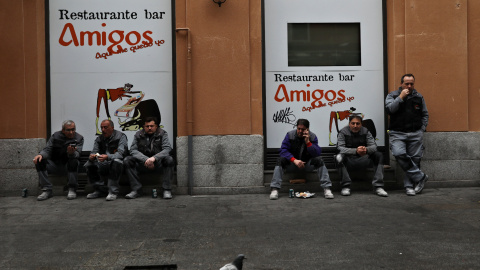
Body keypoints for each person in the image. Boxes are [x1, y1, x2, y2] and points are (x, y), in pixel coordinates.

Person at [385, 73, 429, 196]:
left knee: (414, 160)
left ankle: (409, 186)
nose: (409, 86)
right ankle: (420, 177)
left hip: (415, 134)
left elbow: (425, 114)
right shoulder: (392, 95)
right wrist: (401, 97)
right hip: (397, 133)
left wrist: (422, 129)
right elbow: (390, 110)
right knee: (398, 153)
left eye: (411, 84)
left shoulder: (419, 97)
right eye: (406, 83)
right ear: (401, 84)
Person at [270, 119, 334, 200]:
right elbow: (283, 150)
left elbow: (317, 153)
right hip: (292, 164)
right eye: (298, 128)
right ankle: (274, 189)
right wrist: (294, 160)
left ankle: (327, 188)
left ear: (307, 129)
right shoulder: (290, 135)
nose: (300, 131)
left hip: (307, 165)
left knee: (319, 160)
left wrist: (308, 142)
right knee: (280, 159)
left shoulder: (313, 136)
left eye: (303, 129)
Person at [335, 115, 388, 197]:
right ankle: (345, 186)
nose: (355, 126)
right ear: (349, 124)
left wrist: (366, 149)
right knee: (338, 157)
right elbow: (340, 148)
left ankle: (378, 186)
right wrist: (356, 151)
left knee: (379, 155)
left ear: (361, 124)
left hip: (365, 159)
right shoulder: (343, 132)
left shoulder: (366, 131)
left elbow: (374, 147)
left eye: (357, 124)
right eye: (353, 123)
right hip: (349, 160)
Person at [123, 117, 175, 199]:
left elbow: (167, 149)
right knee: (127, 160)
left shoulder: (162, 133)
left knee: (169, 159)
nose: (149, 128)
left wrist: (154, 158)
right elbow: (133, 150)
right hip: (142, 163)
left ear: (156, 126)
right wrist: (146, 159)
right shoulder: (138, 134)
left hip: (158, 163)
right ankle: (136, 190)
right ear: (144, 126)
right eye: (147, 126)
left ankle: (167, 189)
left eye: (152, 126)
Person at [33, 120, 84, 201]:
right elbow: (47, 149)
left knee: (74, 160)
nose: (71, 132)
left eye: (73, 129)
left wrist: (71, 153)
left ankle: (72, 188)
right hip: (54, 165)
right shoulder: (55, 136)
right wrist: (41, 155)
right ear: (63, 130)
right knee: (40, 160)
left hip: (68, 166)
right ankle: (47, 189)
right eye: (68, 130)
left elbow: (78, 154)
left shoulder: (79, 138)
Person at [85, 119, 128, 201]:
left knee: (116, 161)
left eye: (105, 127)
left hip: (118, 163)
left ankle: (113, 192)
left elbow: (120, 154)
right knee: (89, 164)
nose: (103, 130)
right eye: (102, 128)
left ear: (112, 127)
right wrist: (91, 157)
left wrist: (108, 157)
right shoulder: (99, 138)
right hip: (103, 162)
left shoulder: (121, 136)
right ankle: (99, 190)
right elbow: (94, 151)